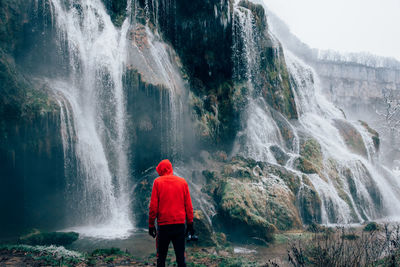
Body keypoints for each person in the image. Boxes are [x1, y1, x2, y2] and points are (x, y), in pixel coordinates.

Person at [148, 159, 194, 267]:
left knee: (161, 257)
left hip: (163, 226)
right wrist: (190, 224)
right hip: (179, 226)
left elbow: (153, 207)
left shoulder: (157, 182)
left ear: (160, 170)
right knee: (180, 257)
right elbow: (189, 206)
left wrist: (151, 225)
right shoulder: (183, 182)